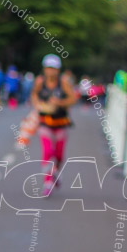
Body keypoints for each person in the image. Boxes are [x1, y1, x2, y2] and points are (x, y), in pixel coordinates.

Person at [30, 54, 78, 196]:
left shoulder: (63, 82)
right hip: (45, 122)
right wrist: (38, 104)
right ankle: (48, 182)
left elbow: (73, 98)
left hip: (61, 123)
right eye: (48, 68)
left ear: (58, 70)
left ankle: (55, 173)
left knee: (58, 155)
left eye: (54, 68)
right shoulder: (40, 81)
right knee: (47, 152)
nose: (51, 71)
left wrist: (60, 103)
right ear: (45, 69)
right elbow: (34, 95)